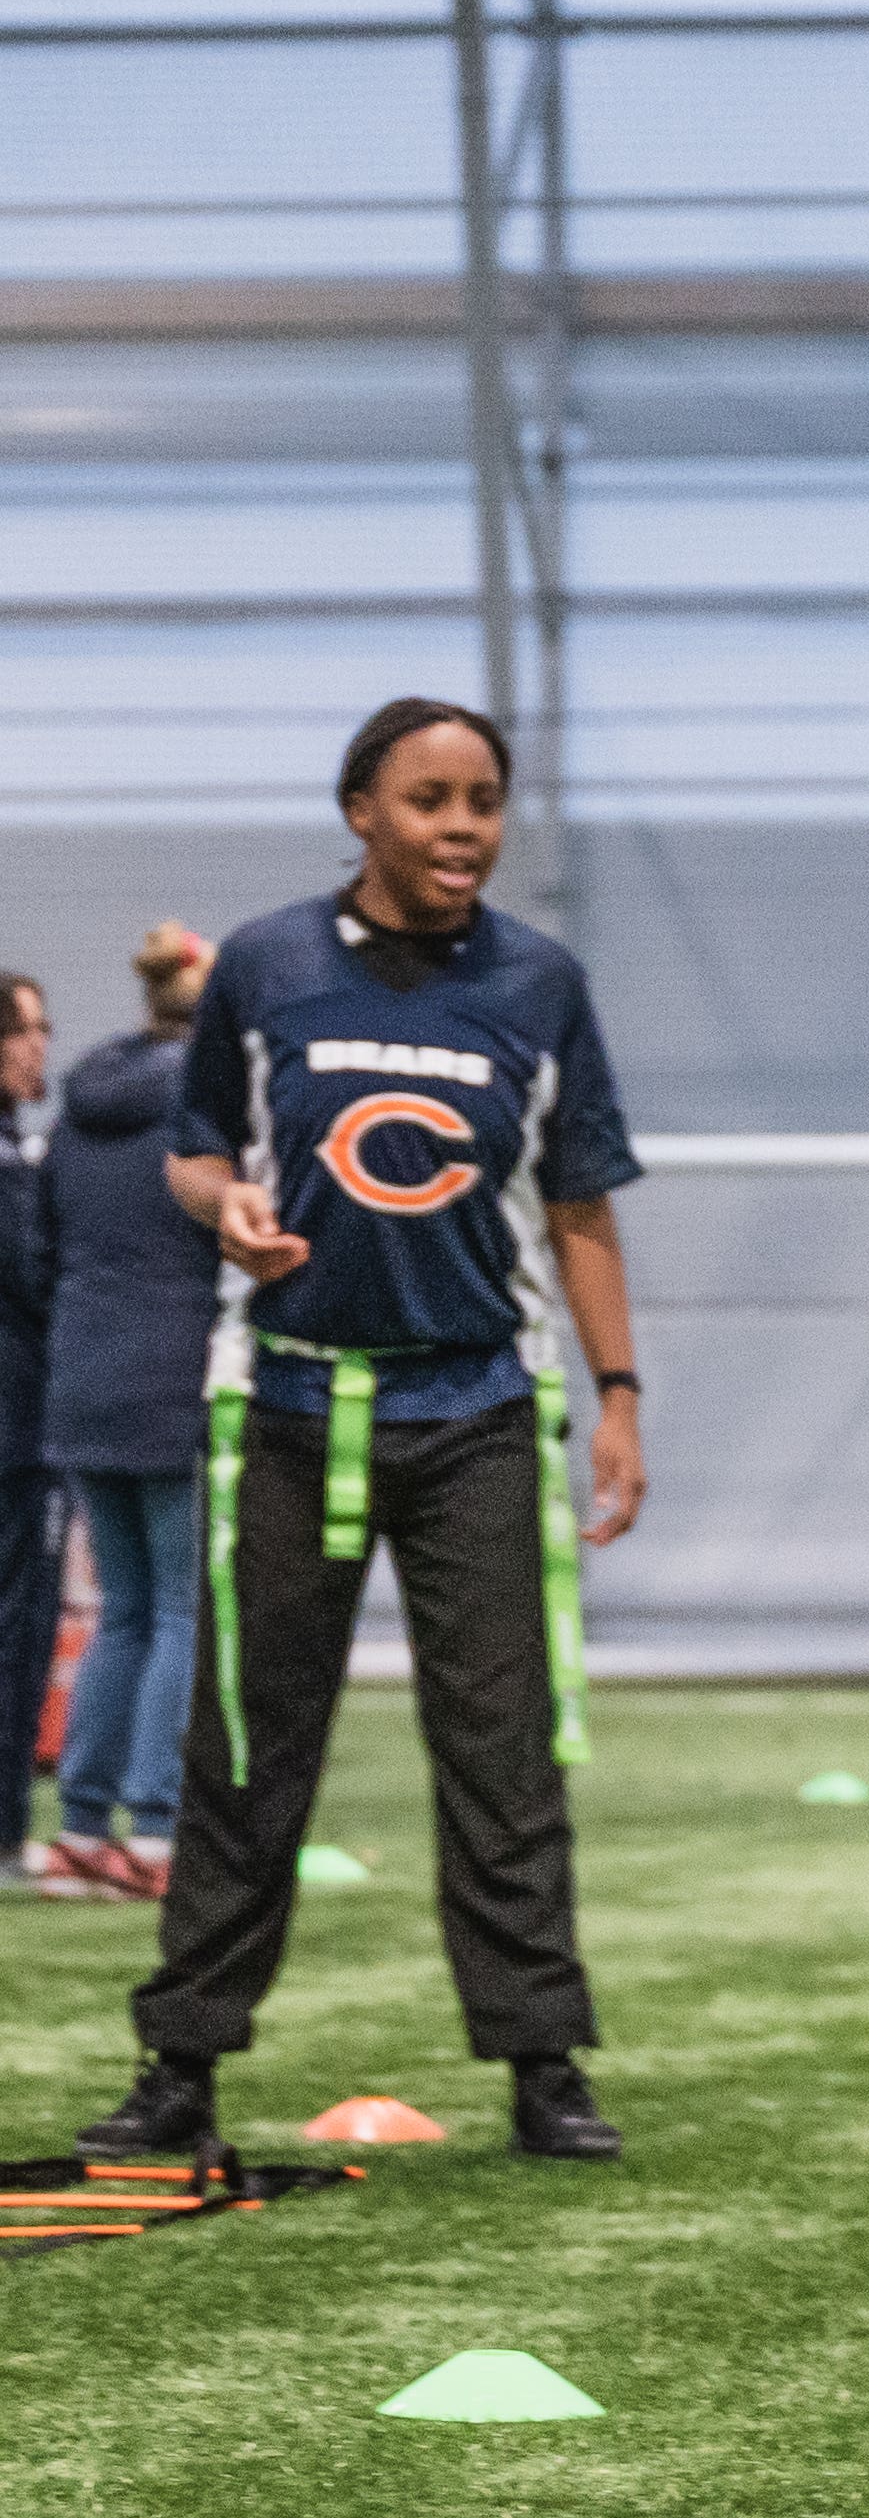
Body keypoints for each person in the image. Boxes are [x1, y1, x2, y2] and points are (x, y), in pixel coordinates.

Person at [77, 700, 647, 2164]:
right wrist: (229, 1208)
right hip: (284, 1405)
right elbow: (200, 1150)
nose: (463, 827)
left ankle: (543, 2060)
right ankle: (182, 2062)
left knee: (504, 1750)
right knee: (248, 1748)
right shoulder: (265, 966)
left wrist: (619, 1399)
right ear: (360, 811)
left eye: (483, 800)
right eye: (430, 799)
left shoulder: (541, 981)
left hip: (475, 1414)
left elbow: (579, 1207)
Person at [38, 926, 221, 1901]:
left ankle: (77, 1829)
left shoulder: (78, 1112)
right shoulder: (207, 1110)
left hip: (81, 1379)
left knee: (120, 1615)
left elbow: (42, 1246)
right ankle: (154, 1834)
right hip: (173, 1383)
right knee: (178, 1610)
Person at [0, 971, 52, 1883]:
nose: (40, 1046)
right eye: (27, 1032)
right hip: (13, 1431)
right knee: (15, 1625)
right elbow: (33, 1274)